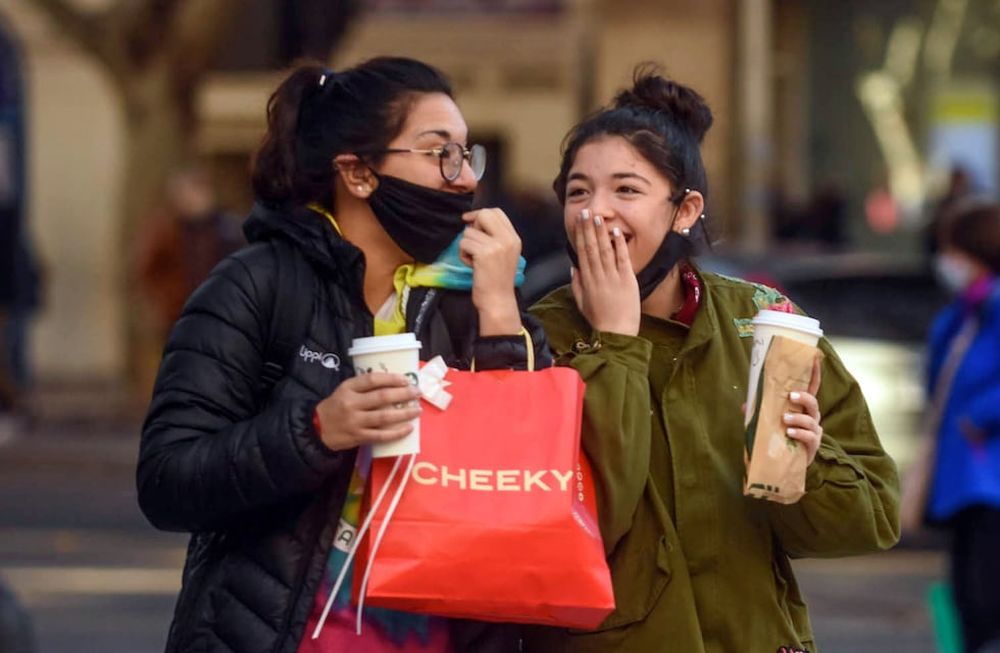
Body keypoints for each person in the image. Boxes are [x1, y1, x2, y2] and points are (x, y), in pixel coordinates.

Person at [137, 57, 549, 653]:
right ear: (357, 173)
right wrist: (316, 432)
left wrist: (502, 319)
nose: (464, 180)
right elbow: (166, 482)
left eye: (468, 155)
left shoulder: (478, 299)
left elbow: (530, 483)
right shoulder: (256, 286)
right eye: (441, 154)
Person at [524, 66, 900, 652]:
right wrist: (615, 341)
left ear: (685, 209)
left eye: (626, 189)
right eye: (578, 191)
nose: (595, 212)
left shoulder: (764, 322)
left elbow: (874, 518)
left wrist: (801, 471)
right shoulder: (536, 337)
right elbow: (565, 526)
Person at [923, 201, 1000, 653]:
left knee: (981, 598)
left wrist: (980, 416)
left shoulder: (990, 306)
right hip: (967, 479)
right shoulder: (967, 310)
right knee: (967, 597)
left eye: (952, 249)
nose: (946, 260)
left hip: (988, 478)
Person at [134, 166, 244, 341]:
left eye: (201, 190)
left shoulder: (225, 227)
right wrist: (165, 300)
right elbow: (149, 270)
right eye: (191, 191)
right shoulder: (165, 229)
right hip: (177, 311)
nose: (197, 197)